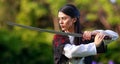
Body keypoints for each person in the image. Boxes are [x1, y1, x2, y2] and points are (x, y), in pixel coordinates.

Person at [53, 4, 119, 64]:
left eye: (64, 18)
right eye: (59, 19)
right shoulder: (58, 37)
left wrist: (96, 33)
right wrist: (94, 45)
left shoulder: (86, 36)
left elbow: (115, 36)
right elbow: (71, 52)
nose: (60, 22)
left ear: (74, 20)